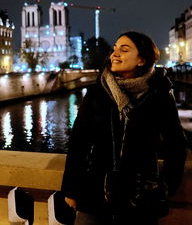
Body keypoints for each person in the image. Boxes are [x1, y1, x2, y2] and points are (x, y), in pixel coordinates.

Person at [61, 31, 188, 225]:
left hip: (140, 202)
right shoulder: (98, 92)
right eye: (114, 48)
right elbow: (79, 143)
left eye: (124, 49)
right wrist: (71, 188)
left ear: (141, 60)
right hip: (94, 195)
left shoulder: (159, 95)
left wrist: (166, 187)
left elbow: (176, 144)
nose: (115, 53)